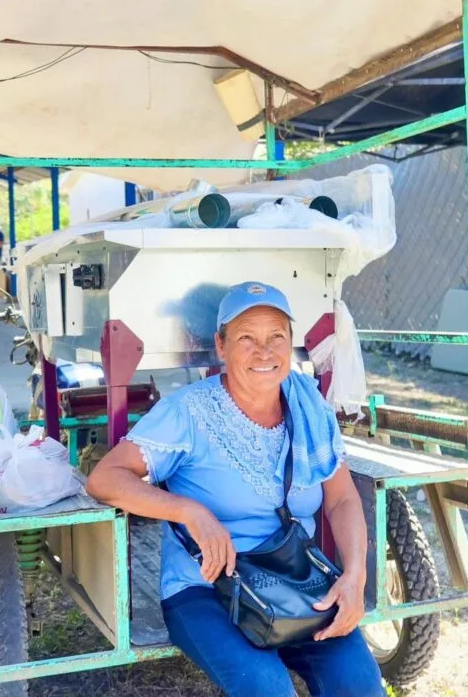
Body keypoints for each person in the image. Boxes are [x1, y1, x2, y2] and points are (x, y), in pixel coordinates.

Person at [87, 282, 383, 697]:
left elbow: (342, 498)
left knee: (360, 686)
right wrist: (192, 512)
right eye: (247, 338)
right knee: (267, 689)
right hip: (207, 589)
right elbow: (105, 478)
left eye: (276, 337)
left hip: (294, 581)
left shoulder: (308, 404)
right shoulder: (187, 411)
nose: (264, 352)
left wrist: (354, 576)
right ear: (221, 347)